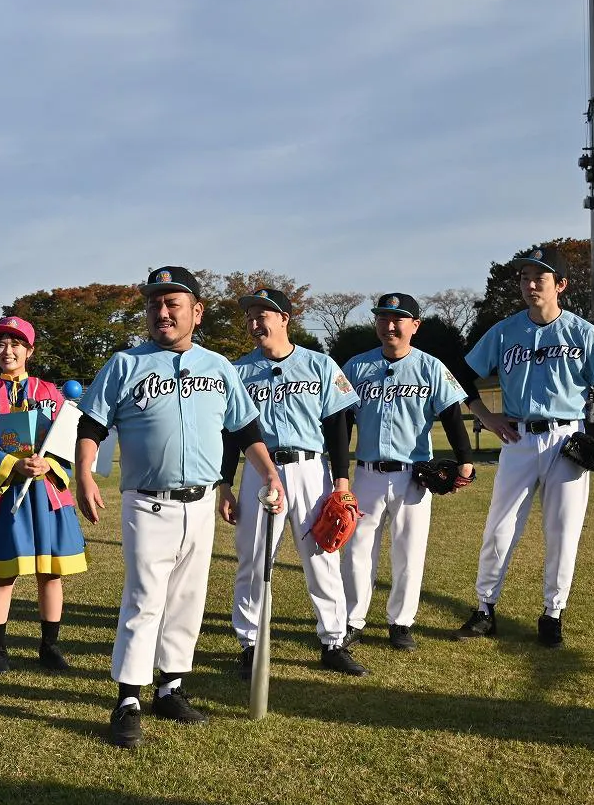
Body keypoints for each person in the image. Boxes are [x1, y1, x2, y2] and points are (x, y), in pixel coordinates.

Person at [75, 267, 287, 750]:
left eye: (173, 303)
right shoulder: (125, 364)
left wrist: (269, 471)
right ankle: (128, 698)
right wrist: (85, 473)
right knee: (145, 598)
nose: (162, 311)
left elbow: (245, 430)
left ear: (197, 311)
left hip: (202, 501)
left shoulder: (219, 367)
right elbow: (91, 423)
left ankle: (170, 688)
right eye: (154, 304)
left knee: (188, 601)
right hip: (147, 501)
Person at [454, 247, 594, 647]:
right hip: (517, 439)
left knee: (562, 531)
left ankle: (553, 614)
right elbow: (462, 374)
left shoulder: (582, 331)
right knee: (499, 530)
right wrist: (486, 416)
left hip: (567, 440)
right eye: (524, 277)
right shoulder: (503, 331)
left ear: (561, 285)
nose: (530, 284)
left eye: (540, 277)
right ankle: (484, 608)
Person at [217, 287, 368, 681]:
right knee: (253, 558)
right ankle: (249, 644)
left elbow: (337, 426)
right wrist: (225, 484)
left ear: (285, 318)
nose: (254, 323)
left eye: (262, 314)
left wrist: (341, 482)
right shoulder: (238, 372)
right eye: (250, 316)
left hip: (309, 470)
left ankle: (334, 641)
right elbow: (231, 433)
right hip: (259, 470)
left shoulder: (319, 364)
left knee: (322, 555)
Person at [339, 293, 473, 654]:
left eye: (398, 319)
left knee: (409, 552)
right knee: (357, 551)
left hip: (414, 476)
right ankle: (352, 620)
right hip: (366, 473)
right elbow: (342, 421)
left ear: (415, 325)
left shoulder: (430, 366)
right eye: (383, 318)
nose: (390, 326)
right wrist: (337, 470)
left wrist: (465, 459)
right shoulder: (355, 367)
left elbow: (451, 415)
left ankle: (401, 623)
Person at [0, 316, 86, 675]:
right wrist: (14, 467)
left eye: (16, 344)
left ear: (29, 350)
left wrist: (49, 466)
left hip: (47, 495)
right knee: (4, 575)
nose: (8, 351)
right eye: (1, 344)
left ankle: (50, 647)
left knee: (50, 574)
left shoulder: (49, 392)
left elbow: (67, 440)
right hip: (6, 497)